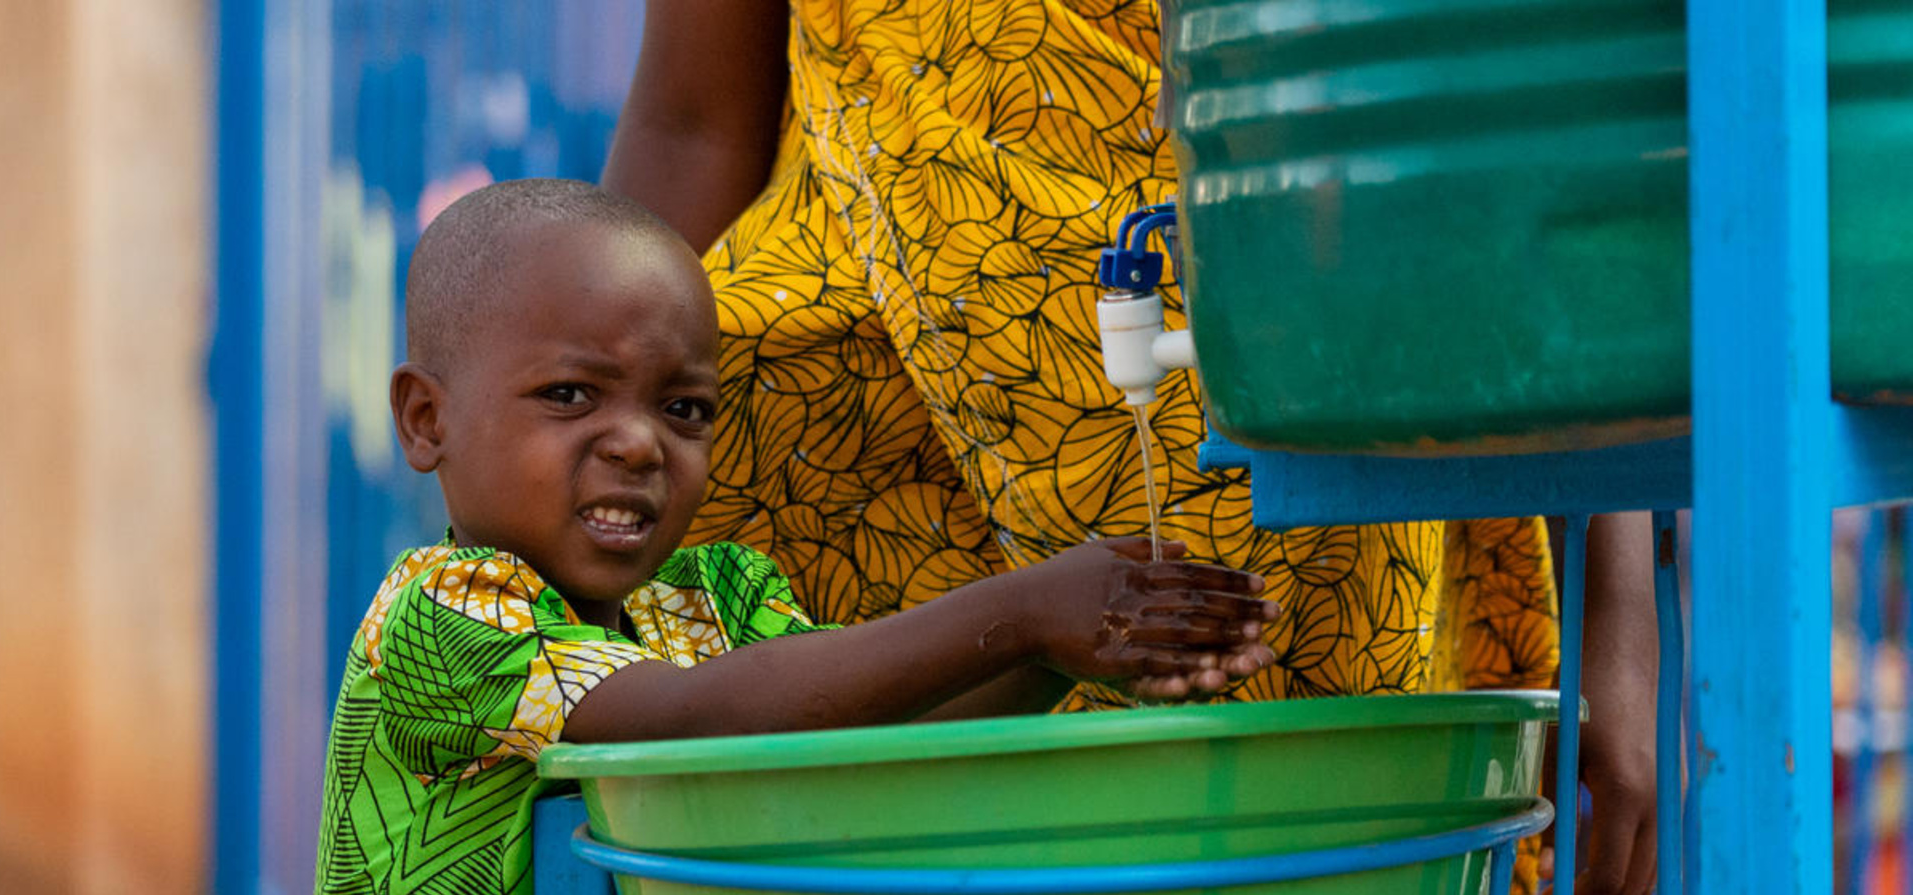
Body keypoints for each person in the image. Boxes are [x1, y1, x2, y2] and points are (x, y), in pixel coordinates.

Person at [600, 3, 1662, 894]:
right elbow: (695, 123)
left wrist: (1614, 600)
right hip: (847, 467)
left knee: (1314, 841)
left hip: (1304, 420)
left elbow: (1513, 103)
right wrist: (564, 485)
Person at [313, 178, 1279, 894]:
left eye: (684, 409)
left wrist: (1063, 653)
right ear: (426, 420)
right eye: (570, 394)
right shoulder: (440, 613)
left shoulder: (716, 595)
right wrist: (1023, 610)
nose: (640, 444)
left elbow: (862, 746)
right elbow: (689, 722)